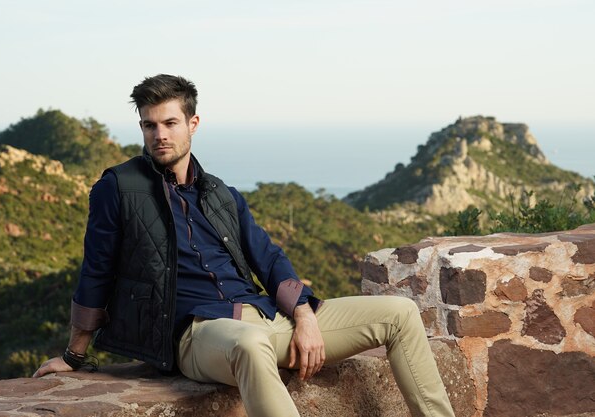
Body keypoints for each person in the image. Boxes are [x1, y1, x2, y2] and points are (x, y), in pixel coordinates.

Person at [34, 74, 455, 417]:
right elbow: (96, 270)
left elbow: (269, 258)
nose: (159, 135)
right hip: (198, 335)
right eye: (149, 125)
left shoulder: (221, 194)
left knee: (399, 312)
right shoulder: (119, 188)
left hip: (269, 319)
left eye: (170, 123)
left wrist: (304, 316)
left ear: (192, 124)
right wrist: (74, 355)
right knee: (249, 345)